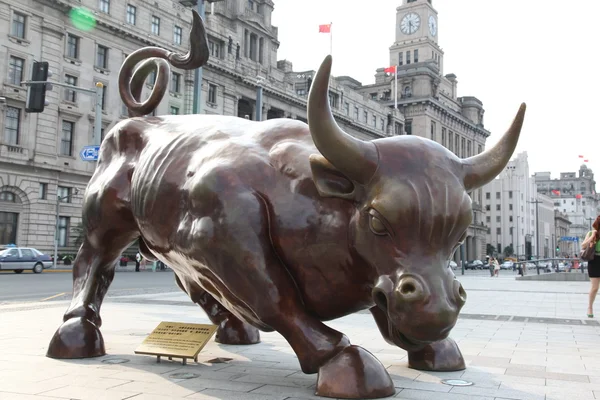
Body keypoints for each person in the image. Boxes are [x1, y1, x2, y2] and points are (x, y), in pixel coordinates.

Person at [582, 215, 600, 318]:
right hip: (594, 261)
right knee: (594, 288)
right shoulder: (591, 233)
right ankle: (590, 307)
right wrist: (592, 237)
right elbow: (583, 245)